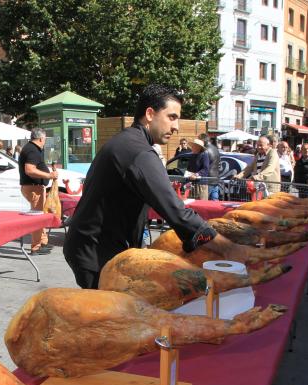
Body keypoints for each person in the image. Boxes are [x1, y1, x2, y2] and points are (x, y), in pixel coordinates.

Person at [63, 83, 237, 289]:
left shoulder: (128, 142)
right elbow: (176, 211)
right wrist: (229, 249)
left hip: (94, 246)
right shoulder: (139, 152)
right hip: (96, 252)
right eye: (172, 117)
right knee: (115, 315)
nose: (176, 126)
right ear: (150, 114)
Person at [19, 128, 58, 255]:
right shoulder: (32, 150)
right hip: (33, 188)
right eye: (45, 139)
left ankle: (42, 242)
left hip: (34, 187)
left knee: (40, 216)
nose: (45, 141)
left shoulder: (32, 148)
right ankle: (35, 247)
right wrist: (49, 176)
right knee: (37, 218)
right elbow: (29, 170)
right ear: (41, 138)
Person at [200, 133, 221, 200]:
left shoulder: (205, 150)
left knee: (204, 201)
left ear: (202, 140)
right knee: (214, 201)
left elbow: (202, 165)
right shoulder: (215, 149)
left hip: (207, 179)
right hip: (215, 177)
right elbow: (219, 163)